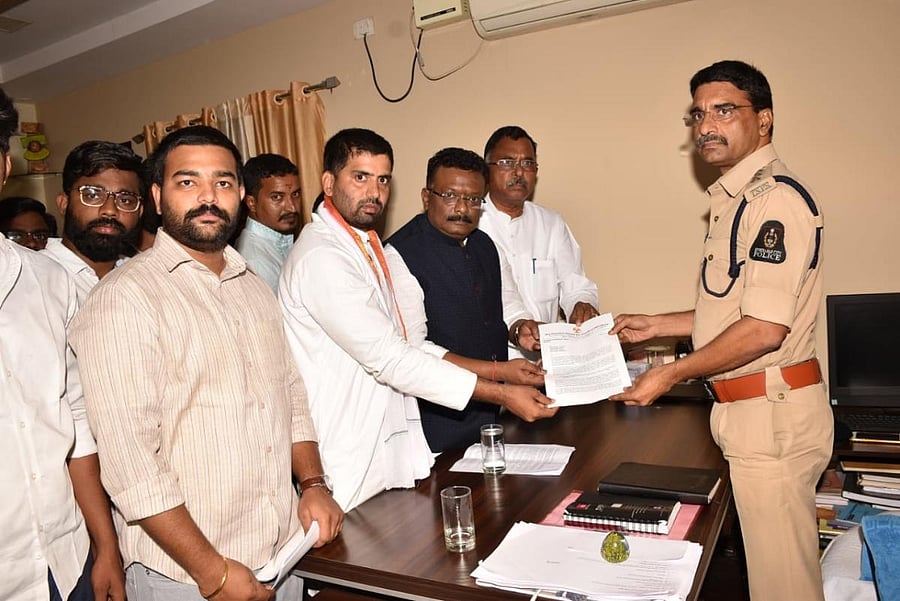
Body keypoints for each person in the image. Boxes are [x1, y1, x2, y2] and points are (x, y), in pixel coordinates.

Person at [69, 125, 342, 601]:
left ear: (240, 194)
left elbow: (291, 397)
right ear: (157, 196)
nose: (208, 197)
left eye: (222, 182)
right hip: (185, 576)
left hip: (281, 551)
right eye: (187, 182)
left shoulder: (253, 287)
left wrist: (313, 483)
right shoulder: (123, 300)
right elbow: (132, 465)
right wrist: (212, 572)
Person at [609, 60, 831, 601]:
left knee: (784, 589)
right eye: (698, 114)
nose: (706, 125)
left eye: (724, 110)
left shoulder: (773, 201)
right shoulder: (734, 201)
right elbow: (733, 311)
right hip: (751, 412)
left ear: (764, 121)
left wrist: (669, 375)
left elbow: (762, 331)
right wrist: (654, 326)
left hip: (771, 415)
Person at [280, 128, 557, 511]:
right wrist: (500, 385)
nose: (374, 192)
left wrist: (509, 362)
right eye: (360, 177)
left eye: (382, 180)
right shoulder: (323, 257)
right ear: (328, 182)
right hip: (351, 448)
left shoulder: (361, 244)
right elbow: (394, 355)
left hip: (392, 440)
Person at [0, 88, 124, 601]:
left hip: (65, 559)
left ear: (3, 165)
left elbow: (76, 421)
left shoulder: (47, 280)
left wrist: (107, 546)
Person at [386, 147, 543, 452]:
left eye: (473, 199)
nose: (462, 208)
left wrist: (519, 328)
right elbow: (415, 350)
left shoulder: (485, 244)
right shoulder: (399, 255)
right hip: (435, 427)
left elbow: (507, 304)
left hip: (492, 417)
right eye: (450, 195)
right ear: (426, 197)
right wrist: (498, 373)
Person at [478, 125, 600, 359]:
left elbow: (574, 283)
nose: (518, 172)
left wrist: (581, 303)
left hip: (545, 362)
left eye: (527, 163)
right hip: (491, 365)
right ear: (486, 170)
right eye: (506, 162)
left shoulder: (551, 223)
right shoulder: (471, 225)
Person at [43, 141, 144, 302]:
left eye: (125, 200)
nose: (110, 210)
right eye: (92, 195)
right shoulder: (32, 277)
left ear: (140, 211)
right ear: (63, 203)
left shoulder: (145, 275)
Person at [235, 153, 302, 290]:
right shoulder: (256, 262)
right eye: (277, 197)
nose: (292, 207)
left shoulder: (278, 241)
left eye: (295, 194)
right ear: (251, 203)